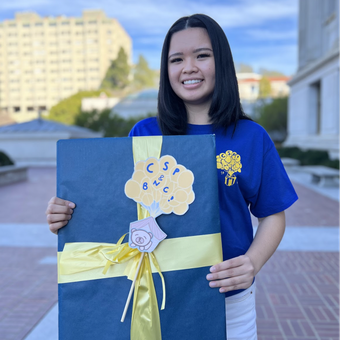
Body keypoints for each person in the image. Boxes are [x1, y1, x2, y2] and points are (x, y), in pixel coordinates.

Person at [46, 14, 298, 340]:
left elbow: (273, 215)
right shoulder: (144, 134)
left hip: (227, 301)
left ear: (221, 62)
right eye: (176, 59)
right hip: (158, 294)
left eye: (202, 55)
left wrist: (252, 263)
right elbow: (118, 208)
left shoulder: (250, 136)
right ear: (167, 71)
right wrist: (66, 213)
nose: (188, 67)